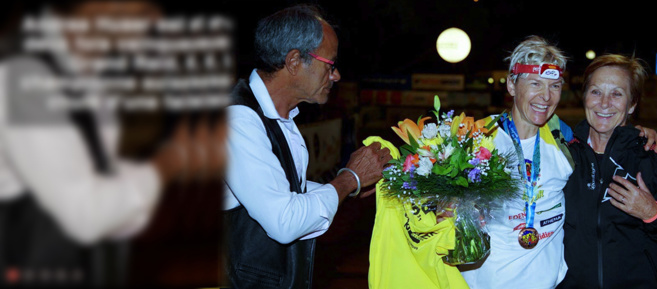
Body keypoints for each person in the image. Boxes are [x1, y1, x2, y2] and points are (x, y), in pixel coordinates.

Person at [0, 1, 220, 287]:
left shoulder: (86, 73)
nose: (158, 21)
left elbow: (104, 199)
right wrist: (171, 162)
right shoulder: (24, 73)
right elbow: (87, 215)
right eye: (146, 10)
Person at [456, 37, 657, 289]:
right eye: (535, 83)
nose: (545, 97)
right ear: (512, 85)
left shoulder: (564, 138)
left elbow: (607, 132)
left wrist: (640, 134)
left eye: (555, 86)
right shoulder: (473, 140)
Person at [223, 4, 390, 288]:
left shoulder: (275, 117)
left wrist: (354, 184)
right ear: (294, 61)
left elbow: (282, 190)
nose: (335, 76)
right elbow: (284, 221)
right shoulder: (238, 119)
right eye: (331, 64)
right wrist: (348, 180)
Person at [558, 54, 657, 289]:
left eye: (617, 94)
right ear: (584, 96)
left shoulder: (652, 154)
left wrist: (652, 213)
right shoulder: (562, 154)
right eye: (596, 91)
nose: (604, 103)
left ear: (632, 104)